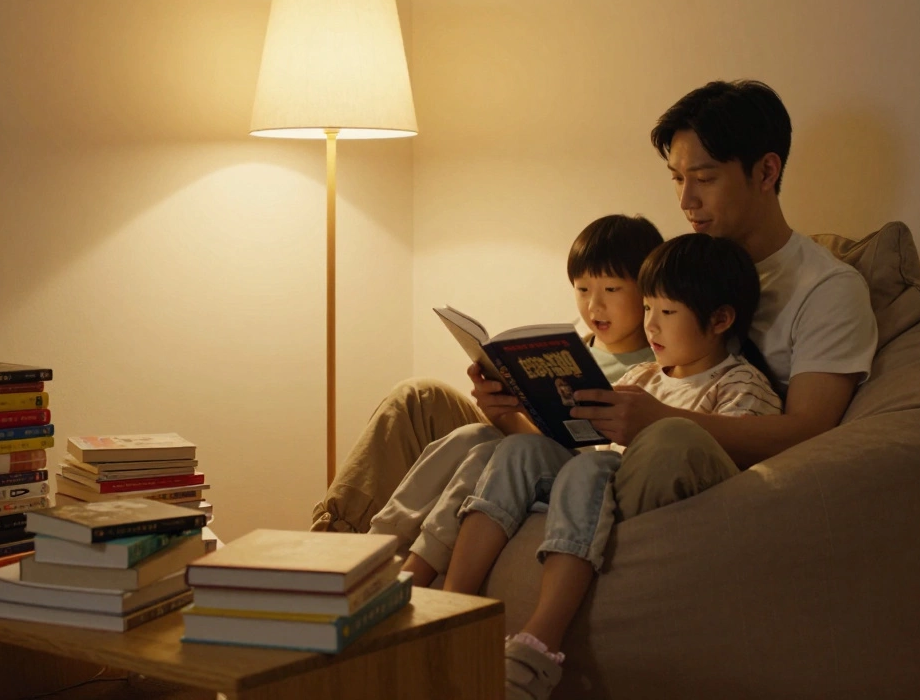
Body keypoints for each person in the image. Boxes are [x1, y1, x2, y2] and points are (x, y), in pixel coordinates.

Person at [463, 80, 878, 700]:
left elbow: (812, 433)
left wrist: (654, 419)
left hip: (693, 467)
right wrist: (513, 410)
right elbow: (603, 376)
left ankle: (538, 638)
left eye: (704, 178)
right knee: (445, 420)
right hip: (605, 456)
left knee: (669, 441)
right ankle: (390, 589)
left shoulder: (825, 289)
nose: (685, 199)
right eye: (676, 178)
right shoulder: (671, 270)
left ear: (767, 171)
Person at [443, 233, 781, 698]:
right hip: (587, 484)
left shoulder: (740, 384)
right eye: (647, 308)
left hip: (630, 498)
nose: (651, 325)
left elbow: (734, 465)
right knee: (517, 451)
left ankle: (539, 642)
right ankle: (451, 607)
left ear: (720, 319)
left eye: (667, 313)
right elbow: (590, 448)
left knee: (589, 469)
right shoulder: (642, 376)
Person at [365, 215, 665, 588]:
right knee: (472, 436)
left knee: (491, 449)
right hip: (541, 456)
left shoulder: (657, 367)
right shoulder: (571, 349)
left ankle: (412, 576)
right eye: (583, 289)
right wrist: (503, 408)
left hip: (584, 473)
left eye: (612, 289)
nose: (594, 305)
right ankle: (373, 548)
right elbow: (534, 443)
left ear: (648, 289)